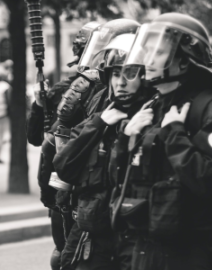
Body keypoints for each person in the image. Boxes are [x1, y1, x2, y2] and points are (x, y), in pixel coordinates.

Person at [120, 13, 212, 270]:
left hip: (190, 250)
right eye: (147, 51)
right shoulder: (151, 107)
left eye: (158, 53)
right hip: (146, 245)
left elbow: (209, 178)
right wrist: (126, 139)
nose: (148, 60)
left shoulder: (210, 107)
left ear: (184, 62)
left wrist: (175, 134)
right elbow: (129, 180)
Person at [53, 28, 151, 270]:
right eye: (116, 73)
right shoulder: (98, 121)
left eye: (130, 73)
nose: (121, 81)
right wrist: (99, 125)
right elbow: (63, 165)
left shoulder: (154, 120)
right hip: (94, 239)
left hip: (135, 239)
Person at [26, 21, 101, 270]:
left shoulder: (110, 91)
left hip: (89, 187)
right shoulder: (64, 89)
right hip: (60, 189)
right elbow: (37, 138)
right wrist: (38, 105)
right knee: (63, 254)